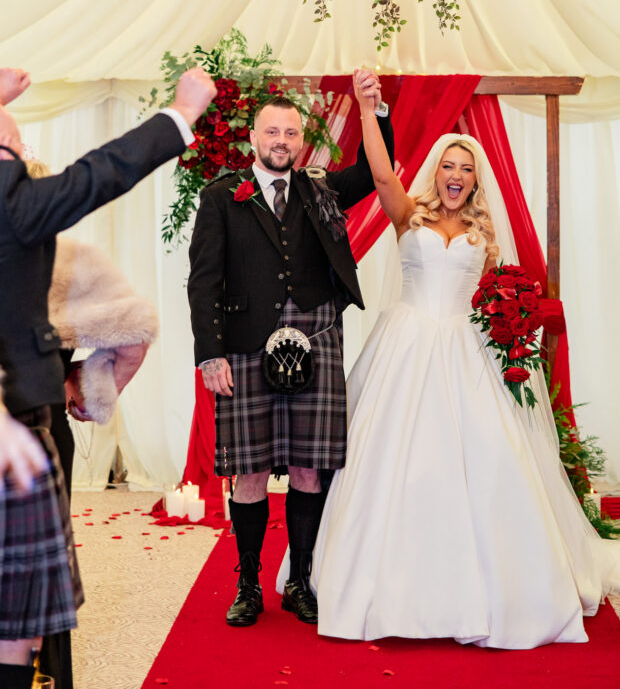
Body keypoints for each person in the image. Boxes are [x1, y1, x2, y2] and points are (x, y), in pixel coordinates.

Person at [279, 73, 620, 647]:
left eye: (467, 169)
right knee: (385, 460)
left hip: (466, 354)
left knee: (489, 460)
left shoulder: (484, 231)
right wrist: (370, 112)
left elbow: (496, 293)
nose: (457, 176)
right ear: (437, 171)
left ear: (474, 181)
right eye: (450, 166)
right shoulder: (407, 215)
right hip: (407, 344)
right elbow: (381, 172)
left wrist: (507, 323)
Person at [0, 66, 215, 689]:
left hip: (32, 422)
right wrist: (182, 112)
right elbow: (103, 172)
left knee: (22, 629)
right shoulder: (17, 205)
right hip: (16, 430)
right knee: (17, 629)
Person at [188, 70, 394, 628]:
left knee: (309, 467)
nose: (281, 141)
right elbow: (203, 281)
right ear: (253, 138)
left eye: (291, 133)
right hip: (245, 346)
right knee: (249, 471)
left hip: (318, 337)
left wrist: (375, 111)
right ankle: (249, 583)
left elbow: (376, 173)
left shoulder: (321, 190)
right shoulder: (222, 196)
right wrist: (210, 354)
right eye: (272, 132)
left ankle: (299, 580)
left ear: (302, 141)